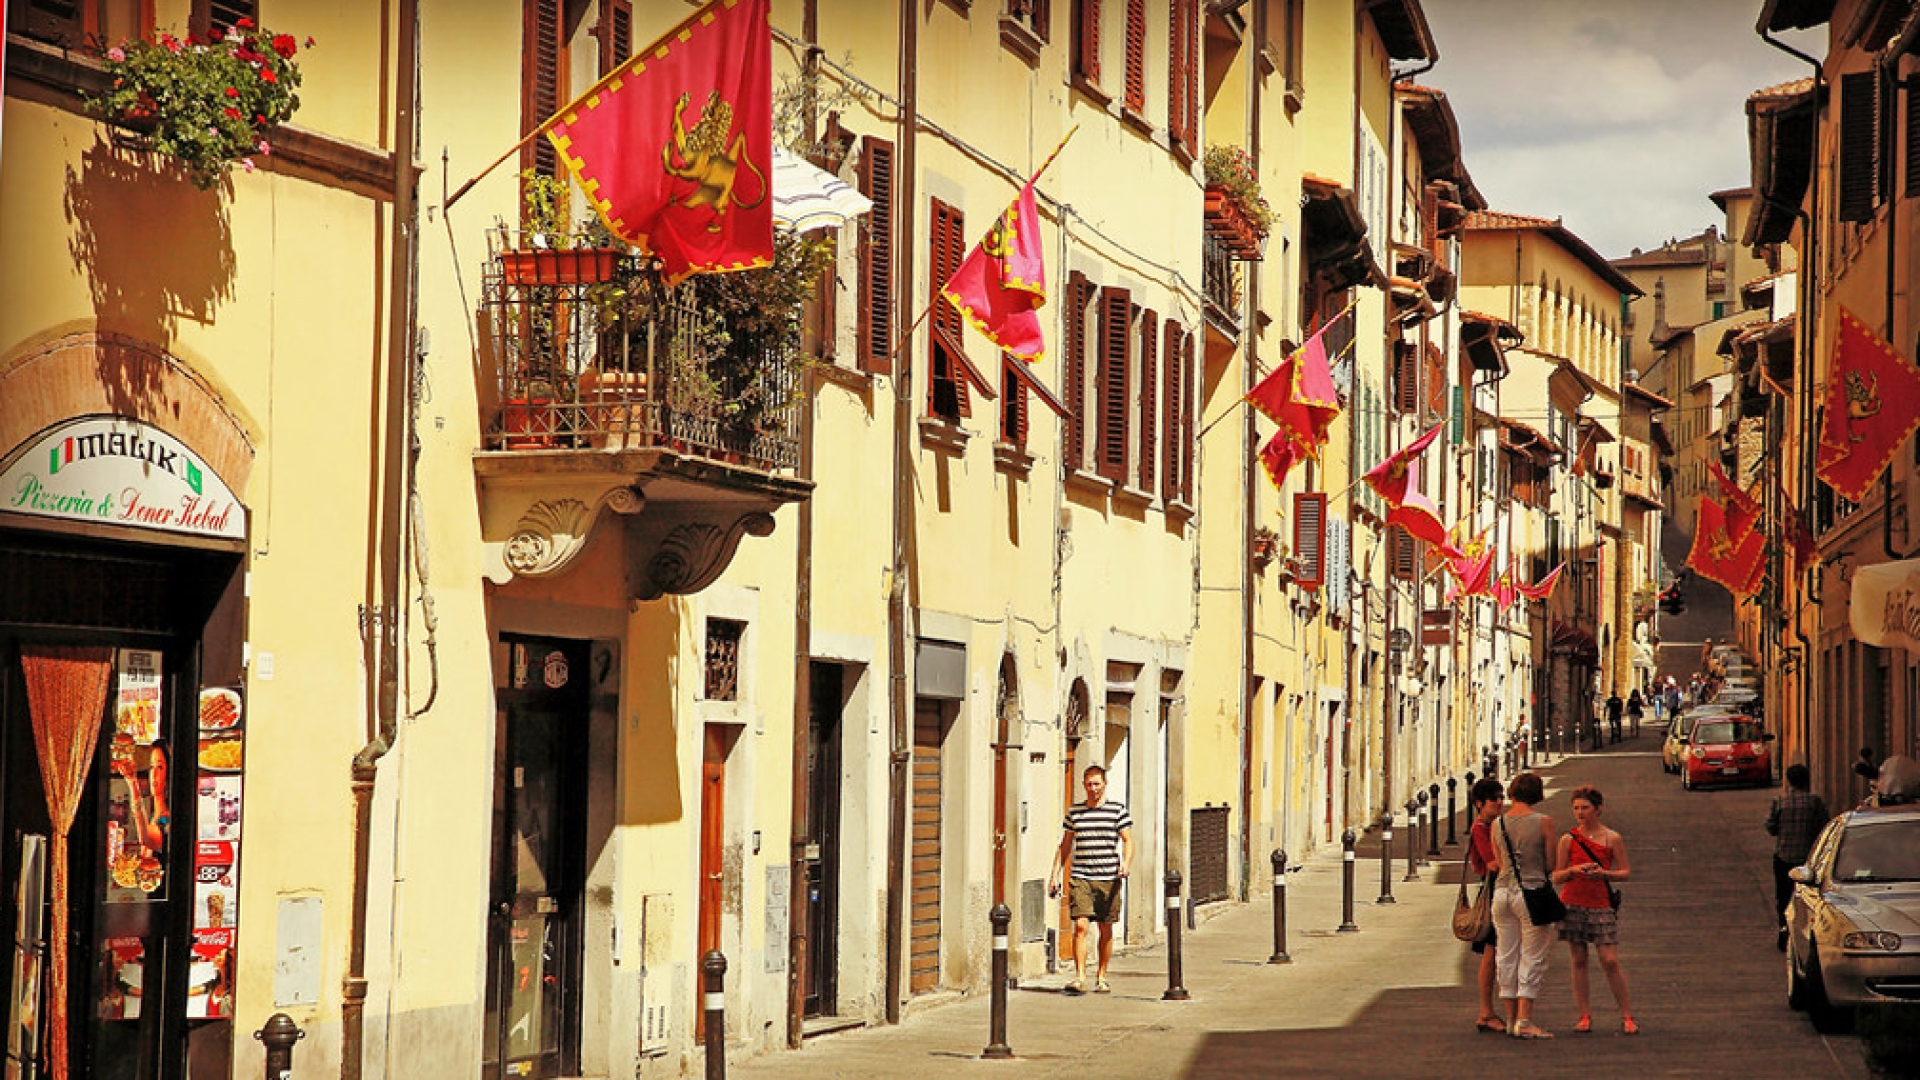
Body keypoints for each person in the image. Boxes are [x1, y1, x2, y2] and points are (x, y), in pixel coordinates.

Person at [1553, 785, 1635, 1035]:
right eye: (1576, 808)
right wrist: (1573, 871)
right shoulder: (1568, 839)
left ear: (1598, 809)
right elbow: (1556, 875)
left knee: (1610, 960)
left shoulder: (1612, 838)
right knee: (1578, 959)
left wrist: (1604, 874)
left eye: (1585, 808)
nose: (1580, 812)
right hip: (1573, 901)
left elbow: (1625, 872)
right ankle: (1584, 1014)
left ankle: (1627, 1015)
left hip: (1600, 904)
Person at [1048, 765, 1132, 995]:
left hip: (1109, 878)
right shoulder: (1074, 812)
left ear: (1104, 784)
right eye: (1089, 784)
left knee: (1105, 928)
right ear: (1084, 785)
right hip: (1081, 876)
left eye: (1097, 783)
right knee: (1081, 926)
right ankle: (1080, 977)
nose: (1093, 788)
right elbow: (1065, 845)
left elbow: (1127, 840)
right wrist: (1054, 875)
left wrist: (1125, 863)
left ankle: (1102, 976)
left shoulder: (1117, 811)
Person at [1489, 771, 1558, 1039]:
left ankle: (1509, 1019)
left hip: (1502, 893)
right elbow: (1550, 863)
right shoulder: (1544, 822)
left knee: (1506, 956)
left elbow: (1498, 860)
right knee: (1533, 956)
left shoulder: (1498, 823)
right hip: (1531, 892)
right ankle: (1525, 1019)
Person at [1766, 764, 1829, 951]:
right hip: (1807, 860)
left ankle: (1784, 930)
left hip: (1784, 857)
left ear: (1789, 781)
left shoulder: (1780, 802)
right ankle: (1805, 933)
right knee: (1807, 898)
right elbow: (1823, 826)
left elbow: (1771, 827)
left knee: (1783, 896)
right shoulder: (1814, 802)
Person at [1467, 777, 1507, 1033]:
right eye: (1494, 800)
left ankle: (1490, 1011)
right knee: (1491, 953)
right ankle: (1486, 1011)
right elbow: (1491, 863)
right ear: (1480, 803)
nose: (1500, 803)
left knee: (1495, 953)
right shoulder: (1481, 828)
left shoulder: (1495, 825)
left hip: (1498, 886)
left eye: (1501, 798)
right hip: (1493, 888)